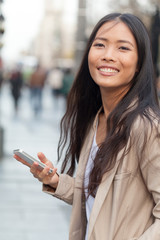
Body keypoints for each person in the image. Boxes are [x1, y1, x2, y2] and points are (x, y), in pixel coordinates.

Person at [14, 12, 160, 240]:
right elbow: (99, 199)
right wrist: (55, 181)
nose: (108, 56)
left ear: (140, 63)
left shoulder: (147, 127)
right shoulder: (96, 119)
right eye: (100, 45)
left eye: (123, 48)